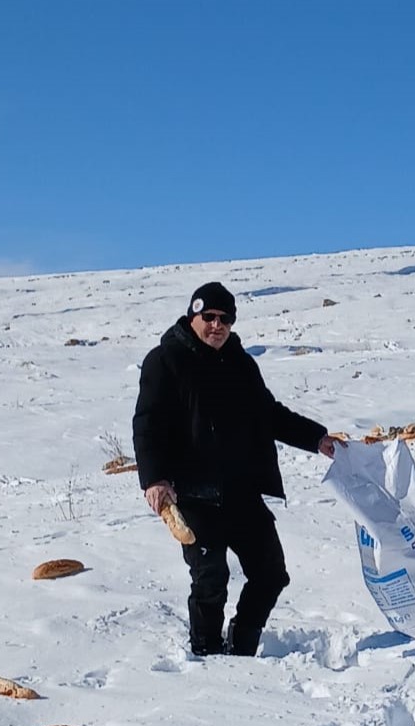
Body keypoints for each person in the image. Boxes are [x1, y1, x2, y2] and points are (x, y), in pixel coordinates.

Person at [133, 282, 340, 657]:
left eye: (224, 319)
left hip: (241, 490)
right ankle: (206, 654)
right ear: (193, 315)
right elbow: (148, 424)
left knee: (271, 574)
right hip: (192, 493)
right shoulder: (164, 360)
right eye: (209, 317)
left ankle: (242, 645)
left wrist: (317, 439)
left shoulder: (241, 364)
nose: (217, 326)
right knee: (211, 578)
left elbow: (269, 414)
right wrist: (155, 479)